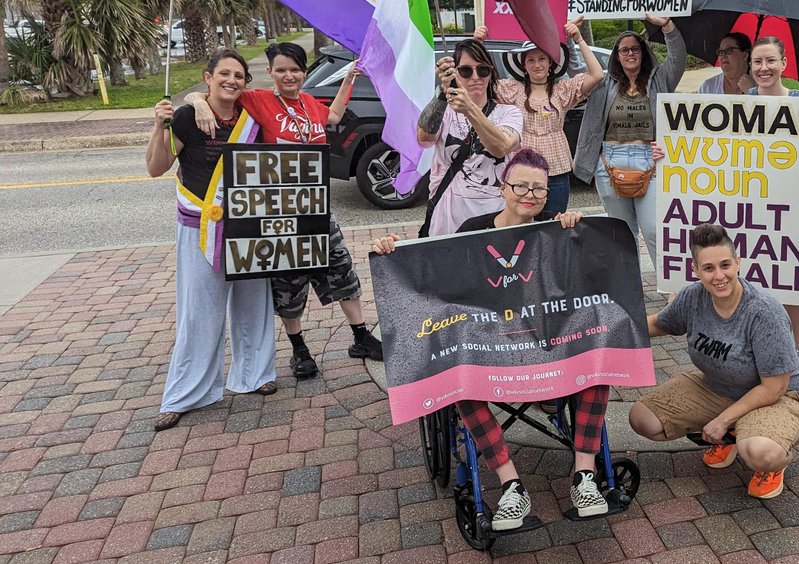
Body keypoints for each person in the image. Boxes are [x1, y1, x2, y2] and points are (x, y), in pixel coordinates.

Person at [372, 149, 606, 530]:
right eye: (521, 186)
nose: (529, 194)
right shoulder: (473, 232)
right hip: (491, 345)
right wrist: (392, 253)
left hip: (544, 344)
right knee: (458, 379)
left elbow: (584, 281)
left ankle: (585, 476)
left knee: (598, 360)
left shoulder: (555, 228)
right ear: (503, 187)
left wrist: (577, 229)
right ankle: (511, 484)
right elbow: (437, 282)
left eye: (539, 189)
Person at [186, 42, 384, 381]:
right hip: (279, 212)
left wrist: (349, 78)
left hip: (317, 207)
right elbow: (219, 93)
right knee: (289, 283)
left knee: (341, 267)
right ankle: (299, 348)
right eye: (281, 70)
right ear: (271, 74)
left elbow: (334, 116)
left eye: (294, 69)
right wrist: (196, 103)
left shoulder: (309, 104)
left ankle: (360, 336)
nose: (288, 75)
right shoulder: (259, 100)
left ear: (304, 73)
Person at [630, 224, 799, 499]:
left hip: (778, 397)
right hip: (716, 387)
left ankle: (766, 459)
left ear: (738, 263)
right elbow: (660, 324)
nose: (719, 276)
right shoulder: (693, 296)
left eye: (725, 265)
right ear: (696, 270)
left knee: (761, 453)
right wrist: (612, 329)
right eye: (709, 268)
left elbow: (774, 387)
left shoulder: (764, 312)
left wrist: (722, 419)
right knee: (643, 420)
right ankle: (733, 432)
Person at [148, 49, 276, 431]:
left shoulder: (252, 116)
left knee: (254, 300)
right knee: (199, 308)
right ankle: (187, 393)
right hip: (200, 224)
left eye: (239, 75)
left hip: (248, 224)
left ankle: (255, 374)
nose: (232, 81)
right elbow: (156, 168)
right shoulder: (186, 117)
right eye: (225, 74)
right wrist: (160, 125)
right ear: (207, 77)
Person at [743, 35, 799, 373]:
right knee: (750, 277)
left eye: (770, 61)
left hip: (788, 202)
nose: (763, 68)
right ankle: (754, 344)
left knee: (787, 274)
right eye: (757, 62)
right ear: (750, 67)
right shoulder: (740, 103)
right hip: (750, 200)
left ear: (783, 64)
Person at [573, 15, 687, 273]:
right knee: (621, 233)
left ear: (643, 52)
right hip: (610, 162)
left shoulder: (660, 79)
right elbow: (574, 70)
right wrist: (574, 37)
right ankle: (630, 286)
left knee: (654, 229)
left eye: (635, 48)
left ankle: (669, 288)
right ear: (617, 55)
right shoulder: (603, 83)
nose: (630, 54)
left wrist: (667, 24)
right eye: (624, 50)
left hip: (650, 159)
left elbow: (679, 56)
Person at [491, 17, 606, 218]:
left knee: (554, 223)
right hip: (521, 172)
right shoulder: (511, 89)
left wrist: (578, 38)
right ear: (523, 65)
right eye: (531, 60)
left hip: (557, 171)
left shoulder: (563, 90)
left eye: (542, 58)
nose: (537, 64)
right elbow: (480, 82)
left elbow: (597, 75)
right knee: (521, 223)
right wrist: (477, 42)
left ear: (551, 63)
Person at [418, 38, 522, 237]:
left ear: (491, 74)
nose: (475, 77)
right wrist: (443, 92)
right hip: (447, 217)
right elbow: (424, 138)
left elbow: (501, 147)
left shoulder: (509, 113)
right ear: (455, 73)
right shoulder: (445, 111)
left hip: (493, 216)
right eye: (466, 71)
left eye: (483, 70)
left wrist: (469, 109)